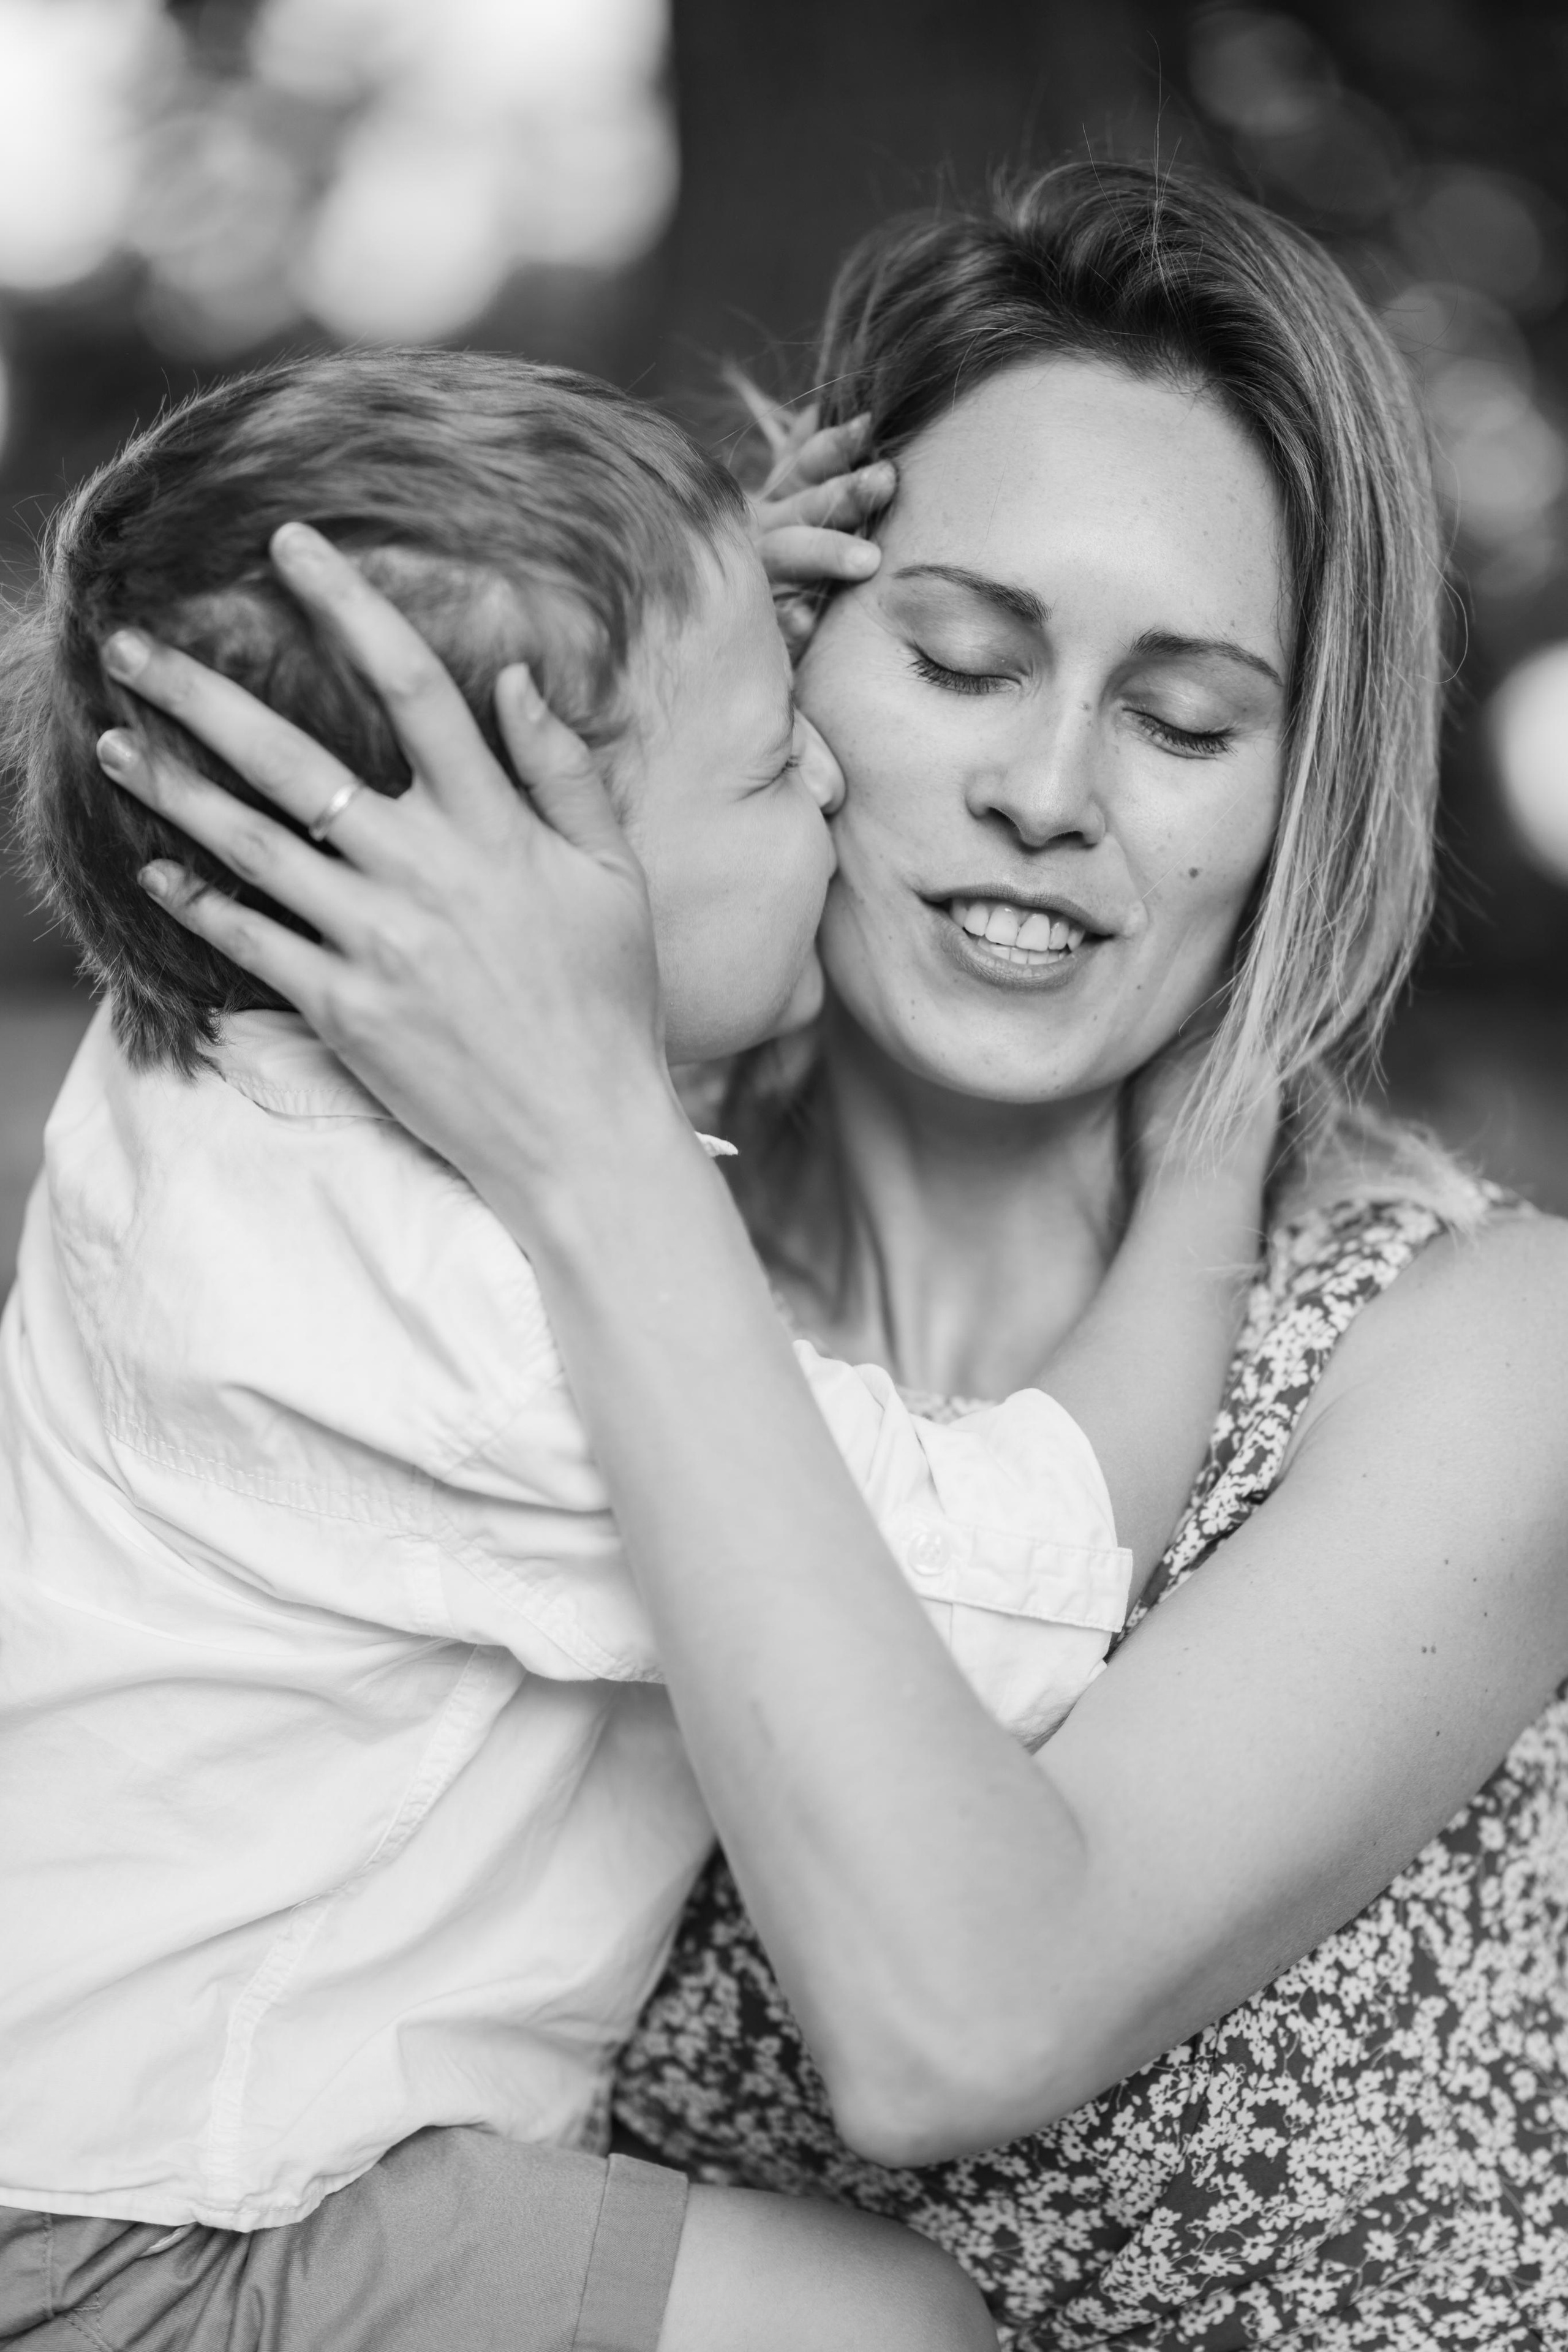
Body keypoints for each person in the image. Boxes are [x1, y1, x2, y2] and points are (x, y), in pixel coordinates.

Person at [82, 160, 1568, 2347]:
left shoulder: (1483, 1353)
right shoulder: (451, 1278)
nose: (1050, 790)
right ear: (786, 656)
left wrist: (598, 1144)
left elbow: (957, 2018)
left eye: (1183, 722)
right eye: (961, 657)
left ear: (1300, 800)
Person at [0, 345, 1270, 2352]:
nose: (837, 771)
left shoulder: (207, 1055)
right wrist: (1213, 1180)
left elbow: (481, 774)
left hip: (114, 2153)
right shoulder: (472, 1327)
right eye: (775, 762)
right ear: (504, 895)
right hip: (163, 2246)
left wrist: (667, 625)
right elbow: (1013, 1578)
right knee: (900, 2336)